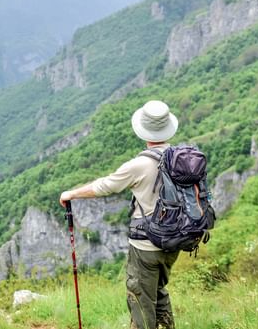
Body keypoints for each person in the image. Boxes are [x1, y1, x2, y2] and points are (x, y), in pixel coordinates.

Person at [59, 100, 180, 329]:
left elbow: (105, 186)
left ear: (144, 131)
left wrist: (71, 194)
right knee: (157, 292)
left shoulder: (139, 164)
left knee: (139, 298)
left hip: (147, 245)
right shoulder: (180, 158)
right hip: (174, 242)